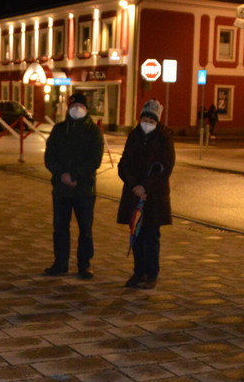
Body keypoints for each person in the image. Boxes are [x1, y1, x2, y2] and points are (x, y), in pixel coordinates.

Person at [43, 92, 104, 279]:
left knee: (85, 229)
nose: (76, 109)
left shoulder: (93, 131)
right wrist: (62, 174)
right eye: (73, 106)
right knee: (60, 228)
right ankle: (60, 263)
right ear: (68, 108)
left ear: (86, 109)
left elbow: (95, 159)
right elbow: (49, 157)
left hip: (84, 188)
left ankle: (84, 265)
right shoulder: (59, 129)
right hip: (62, 189)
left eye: (80, 106)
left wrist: (76, 174)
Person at [117, 99, 175, 289]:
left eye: (151, 120)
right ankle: (138, 273)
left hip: (154, 197)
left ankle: (152, 274)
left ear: (157, 121)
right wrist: (134, 185)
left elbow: (165, 168)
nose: (147, 122)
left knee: (151, 236)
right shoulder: (134, 136)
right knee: (136, 235)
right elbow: (123, 164)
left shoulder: (164, 138)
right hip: (134, 194)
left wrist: (146, 187)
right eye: (145, 118)